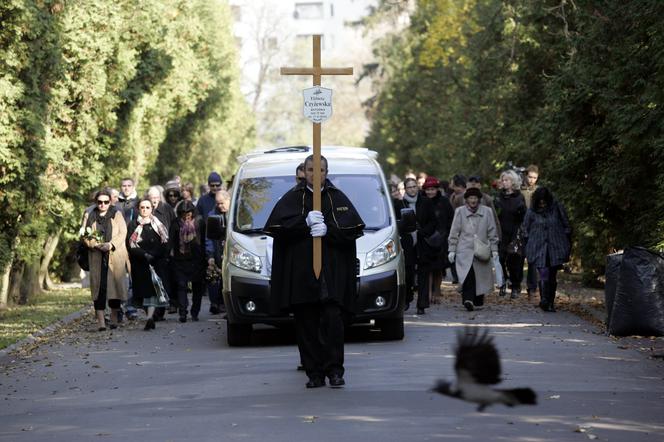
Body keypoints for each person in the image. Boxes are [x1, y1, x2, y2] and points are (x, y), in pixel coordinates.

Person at [264, 155, 365, 389]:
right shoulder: (292, 198)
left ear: (327, 172)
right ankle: (314, 373)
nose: (315, 174)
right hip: (302, 273)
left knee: (333, 321)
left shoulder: (337, 197)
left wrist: (328, 230)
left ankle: (335, 371)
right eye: (311, 169)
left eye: (320, 169)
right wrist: (304, 222)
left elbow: (352, 231)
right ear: (304, 171)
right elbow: (278, 228)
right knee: (306, 324)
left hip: (330, 275)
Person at [82, 189, 129, 330]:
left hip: (113, 256)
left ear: (110, 202)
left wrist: (110, 244)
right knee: (99, 289)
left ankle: (114, 318)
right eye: (100, 202)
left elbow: (123, 232)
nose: (102, 205)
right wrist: (94, 244)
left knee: (114, 288)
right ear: (96, 202)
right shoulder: (90, 215)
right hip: (97, 256)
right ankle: (101, 322)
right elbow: (83, 234)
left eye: (106, 202)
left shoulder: (117, 213)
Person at [447, 187, 499, 312]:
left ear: (479, 199)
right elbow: (454, 231)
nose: (473, 200)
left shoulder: (487, 211)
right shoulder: (460, 211)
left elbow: (492, 231)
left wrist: (494, 249)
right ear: (466, 199)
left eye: (475, 198)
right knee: (467, 275)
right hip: (464, 249)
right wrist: (452, 249)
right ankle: (467, 300)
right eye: (470, 198)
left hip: (481, 248)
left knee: (480, 275)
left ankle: (476, 300)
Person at [522, 187, 571, 312]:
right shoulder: (532, 211)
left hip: (555, 248)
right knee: (543, 274)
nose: (542, 204)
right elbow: (525, 229)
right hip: (538, 248)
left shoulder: (557, 208)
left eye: (544, 202)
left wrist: (563, 239)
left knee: (552, 275)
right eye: (540, 202)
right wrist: (530, 242)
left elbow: (566, 225)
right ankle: (544, 300)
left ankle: (550, 302)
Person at [126, 198, 170, 330]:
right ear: (139, 209)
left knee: (152, 292)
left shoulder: (158, 224)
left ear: (152, 209)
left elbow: (164, 242)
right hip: (139, 263)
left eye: (147, 207)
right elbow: (130, 244)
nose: (145, 210)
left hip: (155, 263)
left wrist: (154, 255)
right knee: (142, 293)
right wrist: (143, 254)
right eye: (142, 207)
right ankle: (149, 315)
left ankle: (150, 317)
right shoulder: (133, 224)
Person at [402, 177, 436, 314]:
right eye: (409, 187)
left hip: (422, 242)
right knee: (408, 273)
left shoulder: (425, 202)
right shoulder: (400, 203)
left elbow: (433, 222)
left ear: (418, 187)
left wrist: (423, 232)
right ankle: (407, 298)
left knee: (423, 273)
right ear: (405, 189)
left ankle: (422, 304)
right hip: (407, 242)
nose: (412, 189)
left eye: (414, 186)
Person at [169, 201, 206, 322]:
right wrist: (169, 255)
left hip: (197, 259)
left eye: (189, 212)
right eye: (183, 213)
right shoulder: (176, 223)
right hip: (180, 260)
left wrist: (207, 257)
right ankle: (183, 313)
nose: (186, 215)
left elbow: (205, 240)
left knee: (197, 287)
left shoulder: (200, 222)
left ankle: (195, 312)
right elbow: (171, 241)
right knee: (181, 286)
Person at [494, 170, 527, 298]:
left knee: (514, 259)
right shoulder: (498, 197)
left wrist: (521, 210)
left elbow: (524, 217)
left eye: (507, 180)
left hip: (515, 231)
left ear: (513, 182)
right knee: (500, 258)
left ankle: (515, 285)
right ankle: (503, 281)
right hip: (501, 231)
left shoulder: (519, 197)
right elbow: (495, 215)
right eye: (503, 180)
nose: (504, 182)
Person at [422, 176, 454, 303]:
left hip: (441, 239)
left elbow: (451, 219)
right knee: (427, 267)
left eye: (432, 189)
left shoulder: (444, 201)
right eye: (428, 189)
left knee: (438, 268)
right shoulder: (422, 201)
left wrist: (446, 234)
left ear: (437, 189)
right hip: (425, 238)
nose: (430, 192)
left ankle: (437, 292)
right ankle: (428, 293)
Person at [205, 190, 231, 314]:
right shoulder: (213, 214)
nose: (220, 206)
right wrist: (210, 255)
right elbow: (208, 237)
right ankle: (215, 303)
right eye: (218, 204)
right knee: (216, 278)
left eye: (222, 203)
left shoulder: (236, 212)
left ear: (229, 200)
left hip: (232, 250)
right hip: (217, 251)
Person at [521, 164, 540, 298]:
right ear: (526, 176)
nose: (532, 180)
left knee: (533, 259)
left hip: (535, 229)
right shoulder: (519, 191)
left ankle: (532, 287)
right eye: (530, 177)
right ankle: (515, 283)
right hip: (521, 227)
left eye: (534, 177)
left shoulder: (539, 192)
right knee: (518, 257)